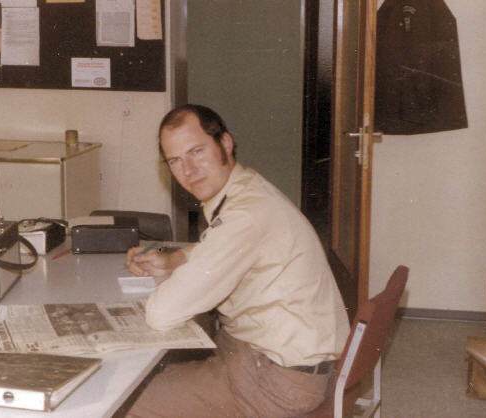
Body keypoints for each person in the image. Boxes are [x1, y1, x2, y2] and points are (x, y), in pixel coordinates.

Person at [125, 104, 349, 417]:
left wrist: (176, 279)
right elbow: (222, 245)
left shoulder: (246, 214)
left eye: (197, 151)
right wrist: (175, 259)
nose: (188, 170)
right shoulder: (247, 189)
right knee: (150, 379)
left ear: (225, 143)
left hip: (275, 382)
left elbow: (163, 313)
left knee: (124, 402)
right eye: (175, 160)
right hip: (274, 363)